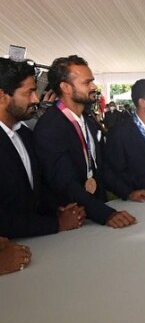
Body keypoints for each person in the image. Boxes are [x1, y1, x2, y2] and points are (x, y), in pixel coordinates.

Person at [33, 56, 137, 228]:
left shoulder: (89, 122)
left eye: (92, 81)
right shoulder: (49, 127)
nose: (94, 87)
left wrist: (129, 193)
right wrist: (106, 214)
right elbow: (65, 183)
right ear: (65, 87)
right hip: (73, 221)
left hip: (97, 211)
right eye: (87, 82)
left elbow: (102, 168)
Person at [1, 58, 84, 238]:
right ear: (2, 96)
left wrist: (59, 208)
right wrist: (57, 223)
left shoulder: (25, 134)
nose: (36, 99)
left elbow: (34, 191)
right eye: (29, 92)